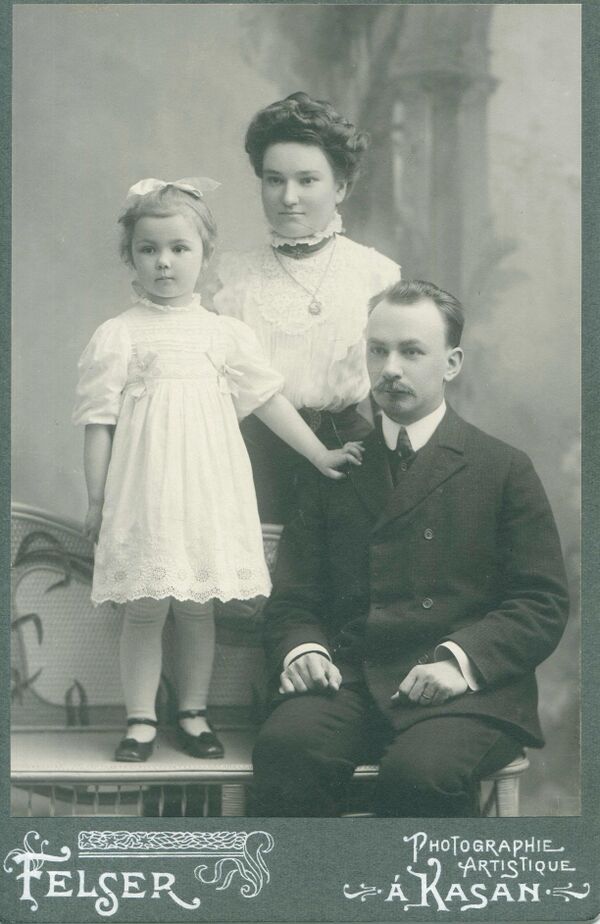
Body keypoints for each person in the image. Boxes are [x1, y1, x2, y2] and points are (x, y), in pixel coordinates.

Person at [252, 279, 570, 817]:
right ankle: (310, 876)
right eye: (378, 351)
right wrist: (304, 649)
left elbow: (541, 602)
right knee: (288, 752)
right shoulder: (336, 470)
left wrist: (459, 662)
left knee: (421, 776)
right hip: (351, 678)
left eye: (411, 352)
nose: (390, 369)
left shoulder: (502, 468)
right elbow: (293, 597)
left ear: (452, 363)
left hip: (465, 691)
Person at [72, 177, 362, 763]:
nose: (164, 262)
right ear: (130, 256)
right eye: (149, 249)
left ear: (204, 256)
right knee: (145, 608)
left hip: (205, 492)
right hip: (146, 494)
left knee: (196, 606)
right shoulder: (119, 335)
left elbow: (269, 401)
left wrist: (318, 453)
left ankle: (193, 712)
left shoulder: (225, 334)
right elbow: (98, 421)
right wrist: (98, 499)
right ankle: (139, 720)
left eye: (179, 248)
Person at [214, 92, 400, 523]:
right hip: (250, 455)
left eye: (307, 181)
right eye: (274, 180)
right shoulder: (229, 279)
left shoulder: (377, 273)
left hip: (349, 450)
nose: (288, 197)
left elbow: (388, 385)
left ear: (341, 187)